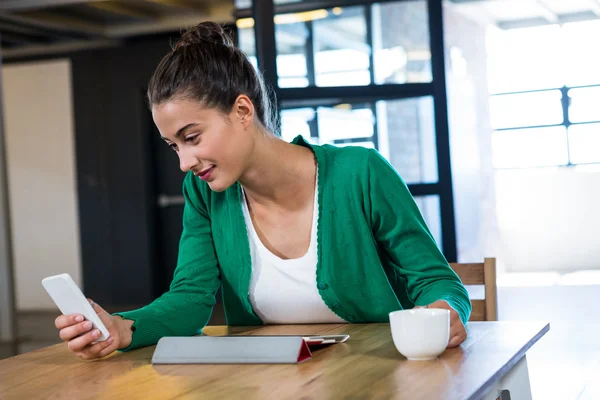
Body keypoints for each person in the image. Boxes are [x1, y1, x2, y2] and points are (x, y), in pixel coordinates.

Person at [54, 22, 471, 360]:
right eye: (174, 146)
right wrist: (125, 328)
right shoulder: (205, 195)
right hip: (266, 382)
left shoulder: (360, 174)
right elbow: (191, 298)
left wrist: (443, 313)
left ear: (241, 111)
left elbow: (437, 282)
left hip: (377, 376)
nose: (184, 162)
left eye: (192, 137)